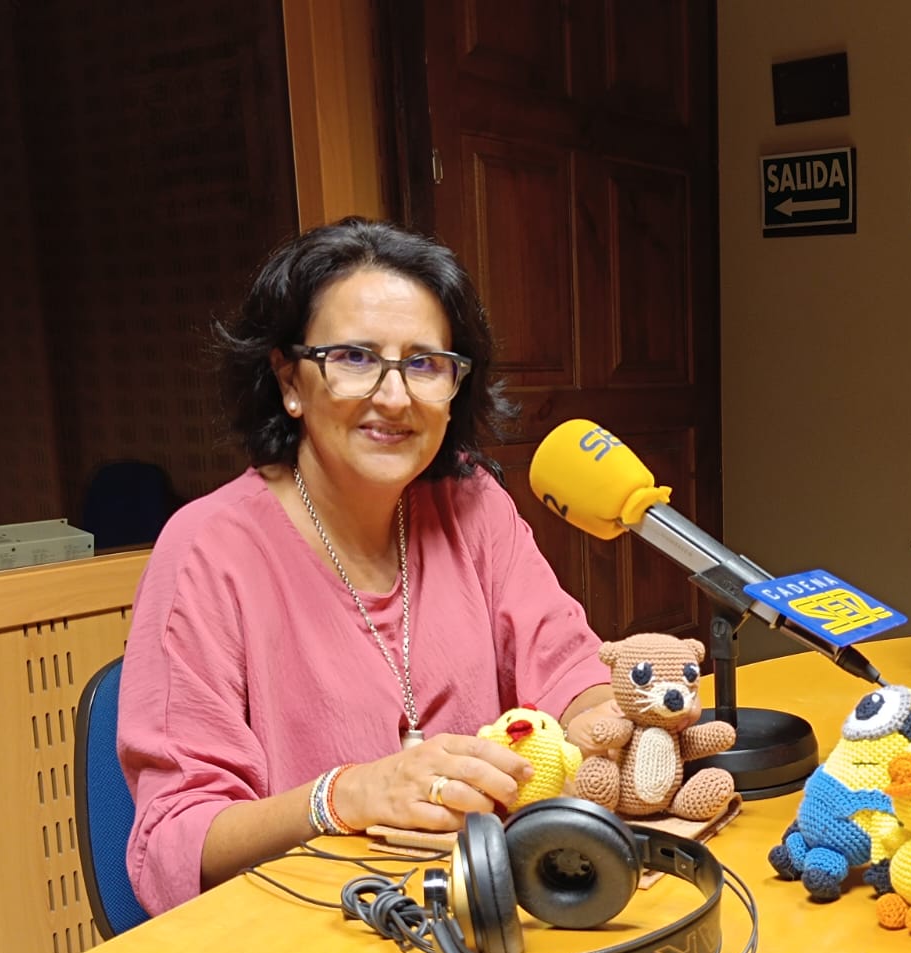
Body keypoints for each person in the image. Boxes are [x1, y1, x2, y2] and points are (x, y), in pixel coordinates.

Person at [119, 218, 620, 915]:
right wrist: (343, 797)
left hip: (485, 915)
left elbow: (569, 670)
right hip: (309, 939)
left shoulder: (471, 501)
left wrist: (615, 732)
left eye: (424, 363)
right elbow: (175, 844)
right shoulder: (207, 550)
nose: (394, 396)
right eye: (354, 357)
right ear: (289, 379)